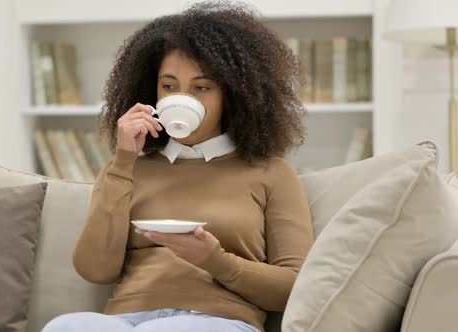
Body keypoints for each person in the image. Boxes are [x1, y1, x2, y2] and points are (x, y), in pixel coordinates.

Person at [42, 1, 314, 331]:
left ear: (233, 95)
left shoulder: (271, 173)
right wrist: (123, 160)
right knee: (66, 326)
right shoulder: (127, 170)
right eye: (168, 86)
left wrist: (215, 260)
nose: (181, 99)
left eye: (201, 88)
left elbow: (295, 288)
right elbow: (95, 270)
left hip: (219, 321)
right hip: (127, 320)